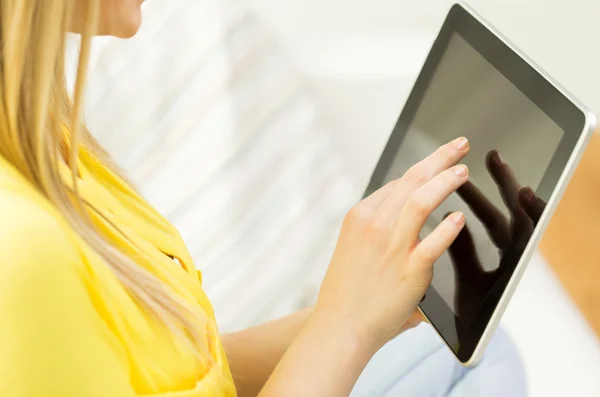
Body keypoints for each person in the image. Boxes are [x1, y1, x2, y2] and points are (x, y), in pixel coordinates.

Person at [0, 1, 532, 396]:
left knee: (459, 353)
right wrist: (343, 327)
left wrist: (374, 305)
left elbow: (181, 374)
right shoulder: (20, 251)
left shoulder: (45, 141)